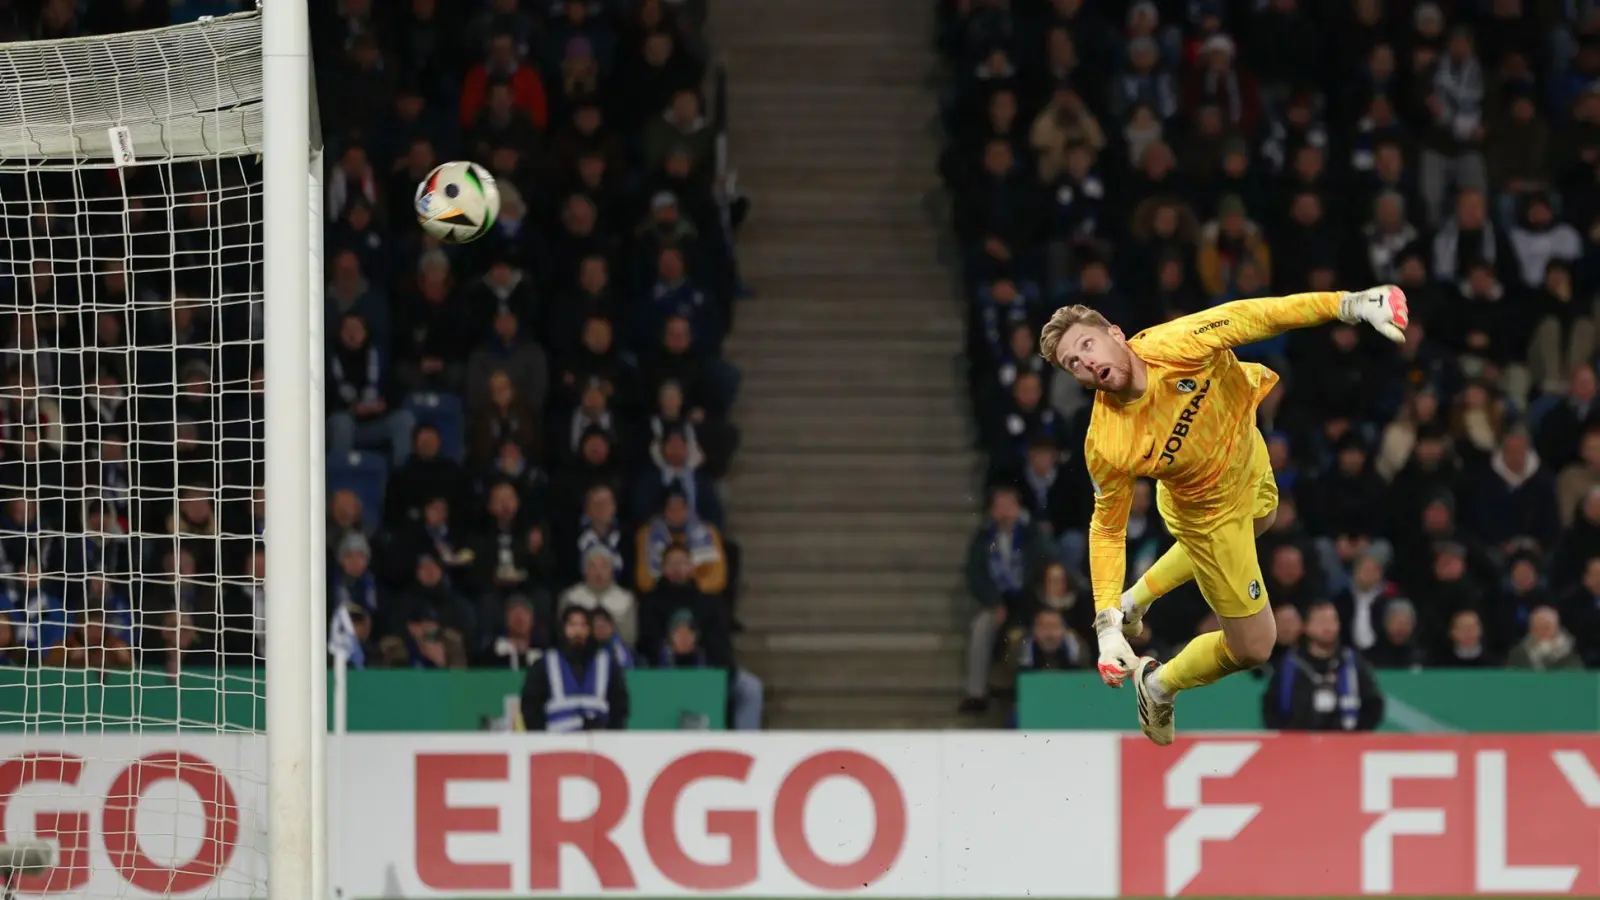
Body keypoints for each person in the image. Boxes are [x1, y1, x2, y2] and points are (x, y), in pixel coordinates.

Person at [1037, 285, 1408, 744]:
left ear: (1116, 333)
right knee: (1255, 646)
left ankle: (1138, 598)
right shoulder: (1108, 442)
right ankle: (1157, 685)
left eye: (1087, 345)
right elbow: (1107, 529)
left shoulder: (1179, 344)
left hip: (1245, 452)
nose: (1085, 362)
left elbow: (1258, 315)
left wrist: (1348, 304)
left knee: (1266, 520)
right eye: (1073, 362)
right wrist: (1106, 626)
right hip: (1208, 519)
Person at [1261, 600, 1385, 731]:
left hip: (1345, 745)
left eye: (1332, 620)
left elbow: (1374, 705)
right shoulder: (1289, 666)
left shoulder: (1353, 664)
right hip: (1298, 745)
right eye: (1321, 621)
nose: (1327, 626)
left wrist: (1356, 735)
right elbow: (1271, 708)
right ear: (1306, 626)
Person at [518, 606, 630, 731]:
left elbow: (619, 708)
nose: (578, 631)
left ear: (590, 630)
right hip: (557, 743)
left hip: (599, 743)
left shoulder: (608, 665)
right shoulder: (544, 664)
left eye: (583, 625)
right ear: (563, 629)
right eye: (572, 625)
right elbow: (531, 707)